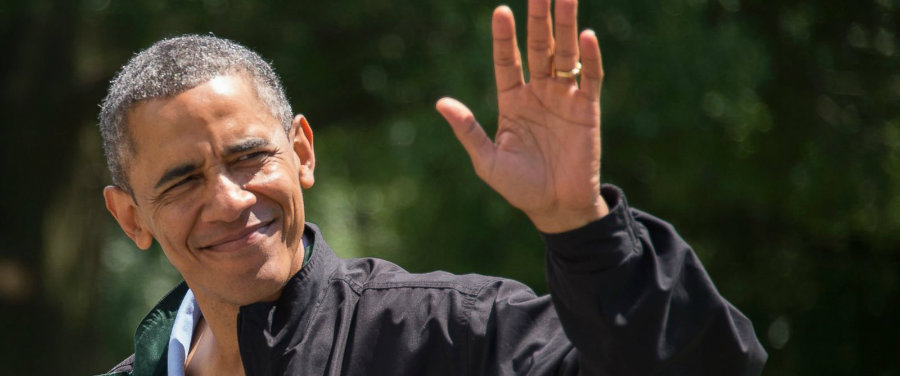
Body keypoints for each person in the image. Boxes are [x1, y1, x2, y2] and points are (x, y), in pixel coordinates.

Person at [97, 0, 767, 374]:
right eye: (183, 181)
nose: (231, 199)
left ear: (302, 152)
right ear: (131, 217)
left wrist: (585, 229)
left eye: (249, 158)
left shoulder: (452, 337)